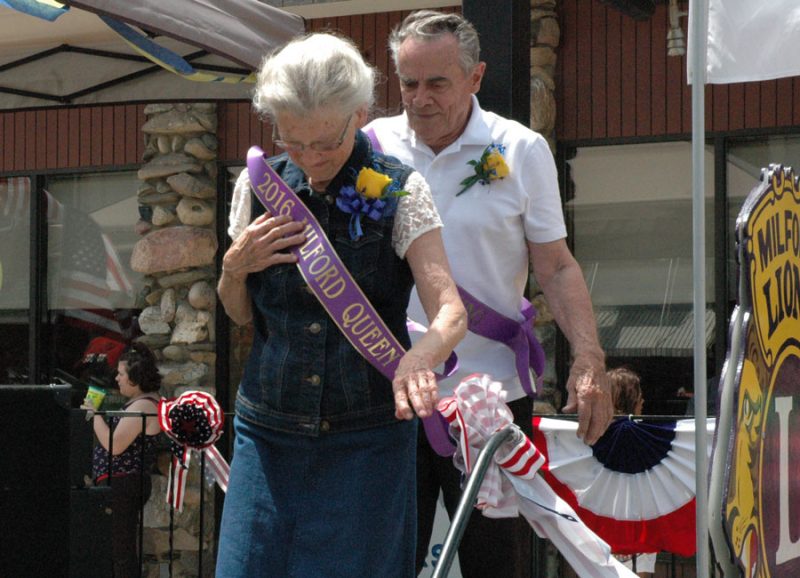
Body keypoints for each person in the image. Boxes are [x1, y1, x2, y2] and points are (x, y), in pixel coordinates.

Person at [364, 10, 613, 577]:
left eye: (436, 83)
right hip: (389, 391)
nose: (419, 99)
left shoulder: (521, 149)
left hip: (491, 396)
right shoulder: (370, 146)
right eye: (407, 83)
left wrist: (589, 359)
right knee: (380, 558)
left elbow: (556, 266)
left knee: (493, 564)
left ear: (475, 77)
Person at [217, 33, 467, 577]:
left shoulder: (401, 189)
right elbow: (239, 314)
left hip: (368, 438)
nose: (309, 159)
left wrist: (419, 358)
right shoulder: (256, 187)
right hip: (268, 434)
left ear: (359, 113)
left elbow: (450, 310)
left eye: (325, 143)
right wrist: (233, 270)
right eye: (292, 142)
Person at [82, 342, 162, 578]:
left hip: (124, 483)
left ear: (135, 379)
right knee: (116, 546)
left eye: (121, 374)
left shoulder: (143, 406)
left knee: (121, 549)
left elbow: (115, 446)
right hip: (120, 483)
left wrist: (95, 415)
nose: (116, 378)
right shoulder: (142, 402)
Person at [607, 366, 656, 577]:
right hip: (638, 518)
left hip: (611, 519)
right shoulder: (643, 437)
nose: (642, 402)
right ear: (629, 399)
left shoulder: (593, 436)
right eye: (639, 396)